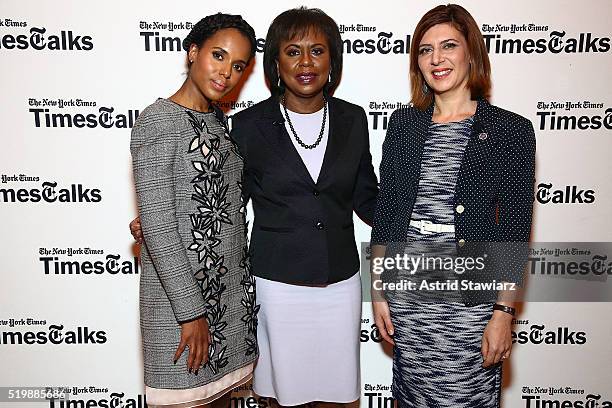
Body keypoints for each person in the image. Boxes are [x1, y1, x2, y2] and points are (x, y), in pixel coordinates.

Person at [132, 7, 377, 407]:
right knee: (279, 396)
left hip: (340, 281)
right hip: (275, 284)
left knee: (340, 394)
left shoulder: (353, 118)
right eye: (293, 51)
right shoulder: (246, 125)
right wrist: (156, 219)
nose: (306, 62)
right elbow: (228, 198)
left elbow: (367, 195)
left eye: (318, 50)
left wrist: (417, 218)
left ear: (333, 59)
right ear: (275, 63)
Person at [370, 4, 535, 408]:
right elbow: (387, 215)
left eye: (448, 46)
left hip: (471, 307)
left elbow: (515, 230)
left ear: (471, 53)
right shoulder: (404, 125)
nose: (436, 59)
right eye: (425, 51)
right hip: (408, 297)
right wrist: (377, 293)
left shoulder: (510, 130)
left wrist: (502, 313)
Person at [130, 14, 258, 408]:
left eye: (238, 65)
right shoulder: (159, 120)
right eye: (218, 56)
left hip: (228, 302)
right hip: (182, 307)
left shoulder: (218, 122)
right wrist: (191, 314)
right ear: (193, 52)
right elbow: (161, 227)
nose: (226, 73)